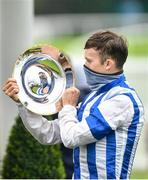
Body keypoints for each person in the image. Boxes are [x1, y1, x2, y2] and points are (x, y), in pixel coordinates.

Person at [2, 31, 144, 179]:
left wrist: (68, 107)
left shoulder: (122, 100)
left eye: (89, 61)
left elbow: (72, 138)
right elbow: (48, 134)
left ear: (108, 64)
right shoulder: (93, 97)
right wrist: (23, 102)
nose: (84, 66)